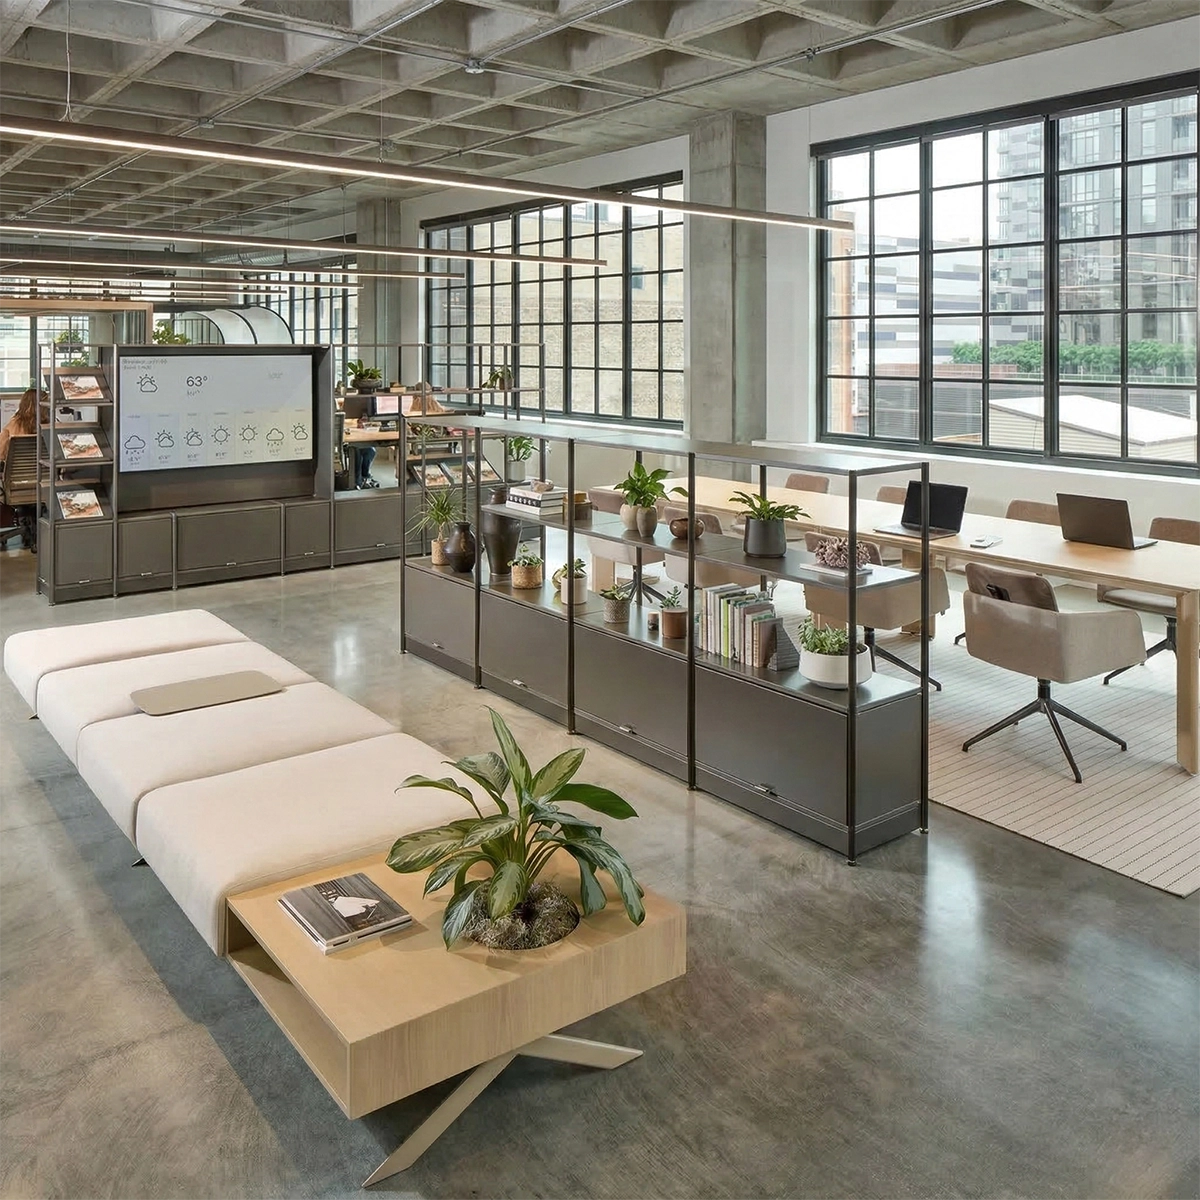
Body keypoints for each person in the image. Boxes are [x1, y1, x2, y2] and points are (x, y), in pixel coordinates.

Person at [0, 388, 38, 467]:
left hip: (17, 473)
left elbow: (1, 454)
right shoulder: (49, 426)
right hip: (46, 474)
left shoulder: (13, 425)